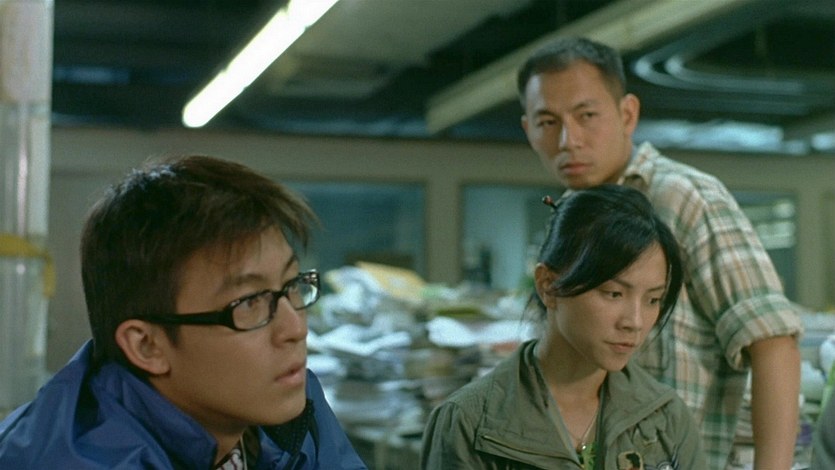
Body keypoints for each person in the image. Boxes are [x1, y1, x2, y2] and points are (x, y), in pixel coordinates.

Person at [516, 37, 803, 469]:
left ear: (627, 114)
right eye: (547, 122)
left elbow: (773, 344)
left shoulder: (682, 198)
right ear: (528, 130)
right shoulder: (567, 221)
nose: (568, 140)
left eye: (586, 116)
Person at [0, 155, 367, 469]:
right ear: (147, 346)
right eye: (250, 302)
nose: (295, 328)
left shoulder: (287, 407)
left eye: (291, 285)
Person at [422, 184, 706, 469]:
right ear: (549, 285)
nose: (635, 322)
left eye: (653, 299)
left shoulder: (665, 418)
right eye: (614, 294)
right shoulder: (470, 422)